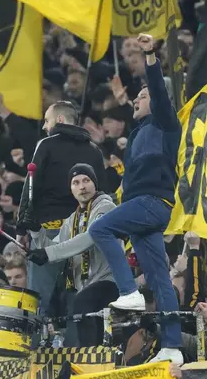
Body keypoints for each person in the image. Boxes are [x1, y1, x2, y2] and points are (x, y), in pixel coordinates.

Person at [88, 33, 183, 364]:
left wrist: (149, 56)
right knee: (160, 280)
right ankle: (172, 347)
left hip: (151, 203)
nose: (139, 99)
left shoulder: (167, 124)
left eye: (143, 97)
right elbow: (134, 108)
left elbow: (157, 92)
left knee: (99, 229)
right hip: (146, 207)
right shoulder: (139, 133)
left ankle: (128, 292)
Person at [16, 99, 107, 315]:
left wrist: (21, 228)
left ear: (59, 119)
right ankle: (77, 347)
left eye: (47, 121)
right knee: (77, 299)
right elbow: (103, 192)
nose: (45, 127)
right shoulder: (94, 151)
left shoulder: (46, 144)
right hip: (83, 236)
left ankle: (33, 347)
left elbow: (31, 186)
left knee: (37, 300)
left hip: (50, 231)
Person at [29, 163, 118, 346]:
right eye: (75, 183)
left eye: (86, 180)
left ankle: (91, 359)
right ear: (71, 189)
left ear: (95, 184)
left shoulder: (106, 207)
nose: (82, 186)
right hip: (84, 289)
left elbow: (90, 237)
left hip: (109, 283)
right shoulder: (72, 219)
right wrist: (36, 231)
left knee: (82, 305)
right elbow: (57, 248)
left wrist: (48, 253)